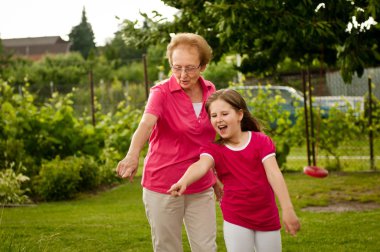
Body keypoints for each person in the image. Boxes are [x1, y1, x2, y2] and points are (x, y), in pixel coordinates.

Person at [116, 33, 219, 252]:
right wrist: (132, 155)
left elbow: (211, 139)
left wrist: (216, 175)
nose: (183, 74)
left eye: (190, 68)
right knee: (168, 247)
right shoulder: (161, 92)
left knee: (206, 247)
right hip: (164, 184)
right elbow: (145, 124)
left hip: (200, 184)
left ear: (203, 66)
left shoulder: (211, 91)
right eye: (176, 67)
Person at [168, 89, 301, 252]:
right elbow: (200, 166)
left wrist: (287, 209)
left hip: (267, 216)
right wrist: (183, 181)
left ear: (240, 114)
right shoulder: (213, 149)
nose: (219, 119)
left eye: (224, 114)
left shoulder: (260, 141)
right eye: (214, 116)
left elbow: (274, 174)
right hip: (235, 218)